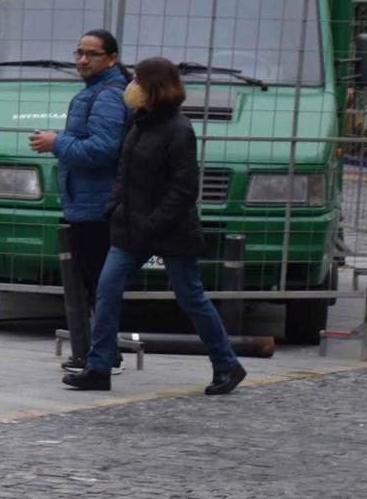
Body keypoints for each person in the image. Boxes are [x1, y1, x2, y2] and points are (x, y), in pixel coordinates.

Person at [65, 57, 246, 396]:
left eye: (137, 80)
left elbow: (183, 189)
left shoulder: (179, 129)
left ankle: (227, 363)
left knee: (190, 295)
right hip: (130, 225)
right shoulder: (139, 122)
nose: (131, 87)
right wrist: (115, 206)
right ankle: (99, 365)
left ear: (154, 86)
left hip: (170, 229)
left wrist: (153, 222)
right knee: (107, 289)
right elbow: (125, 170)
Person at [29, 30, 129, 371]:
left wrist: (57, 143)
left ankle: (100, 356)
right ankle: (98, 353)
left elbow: (102, 149)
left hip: (97, 206)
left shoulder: (107, 97)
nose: (83, 60)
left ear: (112, 58)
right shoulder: (95, 92)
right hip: (88, 202)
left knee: (99, 284)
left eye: (93, 54)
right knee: (95, 283)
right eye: (79, 53)